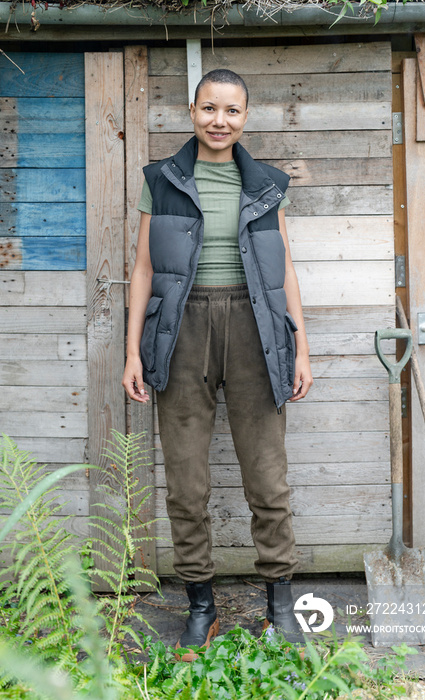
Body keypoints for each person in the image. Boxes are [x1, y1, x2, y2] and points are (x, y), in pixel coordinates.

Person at [122, 69, 313, 660]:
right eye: (209, 109)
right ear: (191, 111)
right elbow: (144, 271)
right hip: (181, 333)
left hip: (257, 330)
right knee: (185, 480)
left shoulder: (268, 185)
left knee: (267, 478)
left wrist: (300, 346)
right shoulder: (163, 179)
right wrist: (133, 350)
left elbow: (283, 273)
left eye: (232, 111)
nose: (219, 121)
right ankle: (200, 605)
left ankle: (280, 604)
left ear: (246, 117)